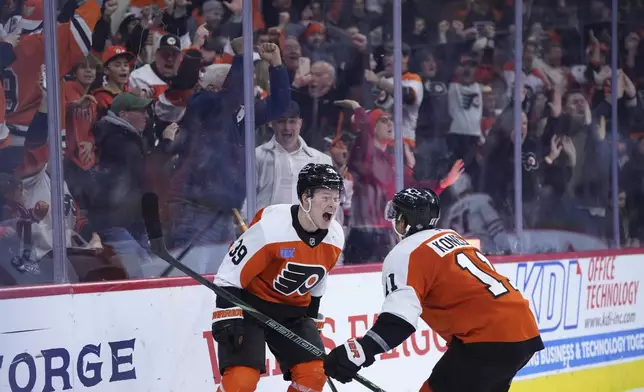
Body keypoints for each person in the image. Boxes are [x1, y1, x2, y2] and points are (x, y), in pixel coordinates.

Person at [323, 187, 544, 392]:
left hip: (486, 340)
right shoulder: (453, 237)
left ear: (404, 222)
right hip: (524, 332)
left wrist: (358, 351)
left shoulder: (405, 253)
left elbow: (399, 321)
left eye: (397, 216)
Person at [211, 163, 346, 392]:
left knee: (313, 375)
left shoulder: (335, 236)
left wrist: (312, 318)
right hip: (250, 308)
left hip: (293, 314)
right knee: (240, 382)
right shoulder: (271, 228)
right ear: (306, 199)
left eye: (336, 197)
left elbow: (318, 281)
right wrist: (226, 316)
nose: (333, 204)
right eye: (325, 197)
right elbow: (228, 274)